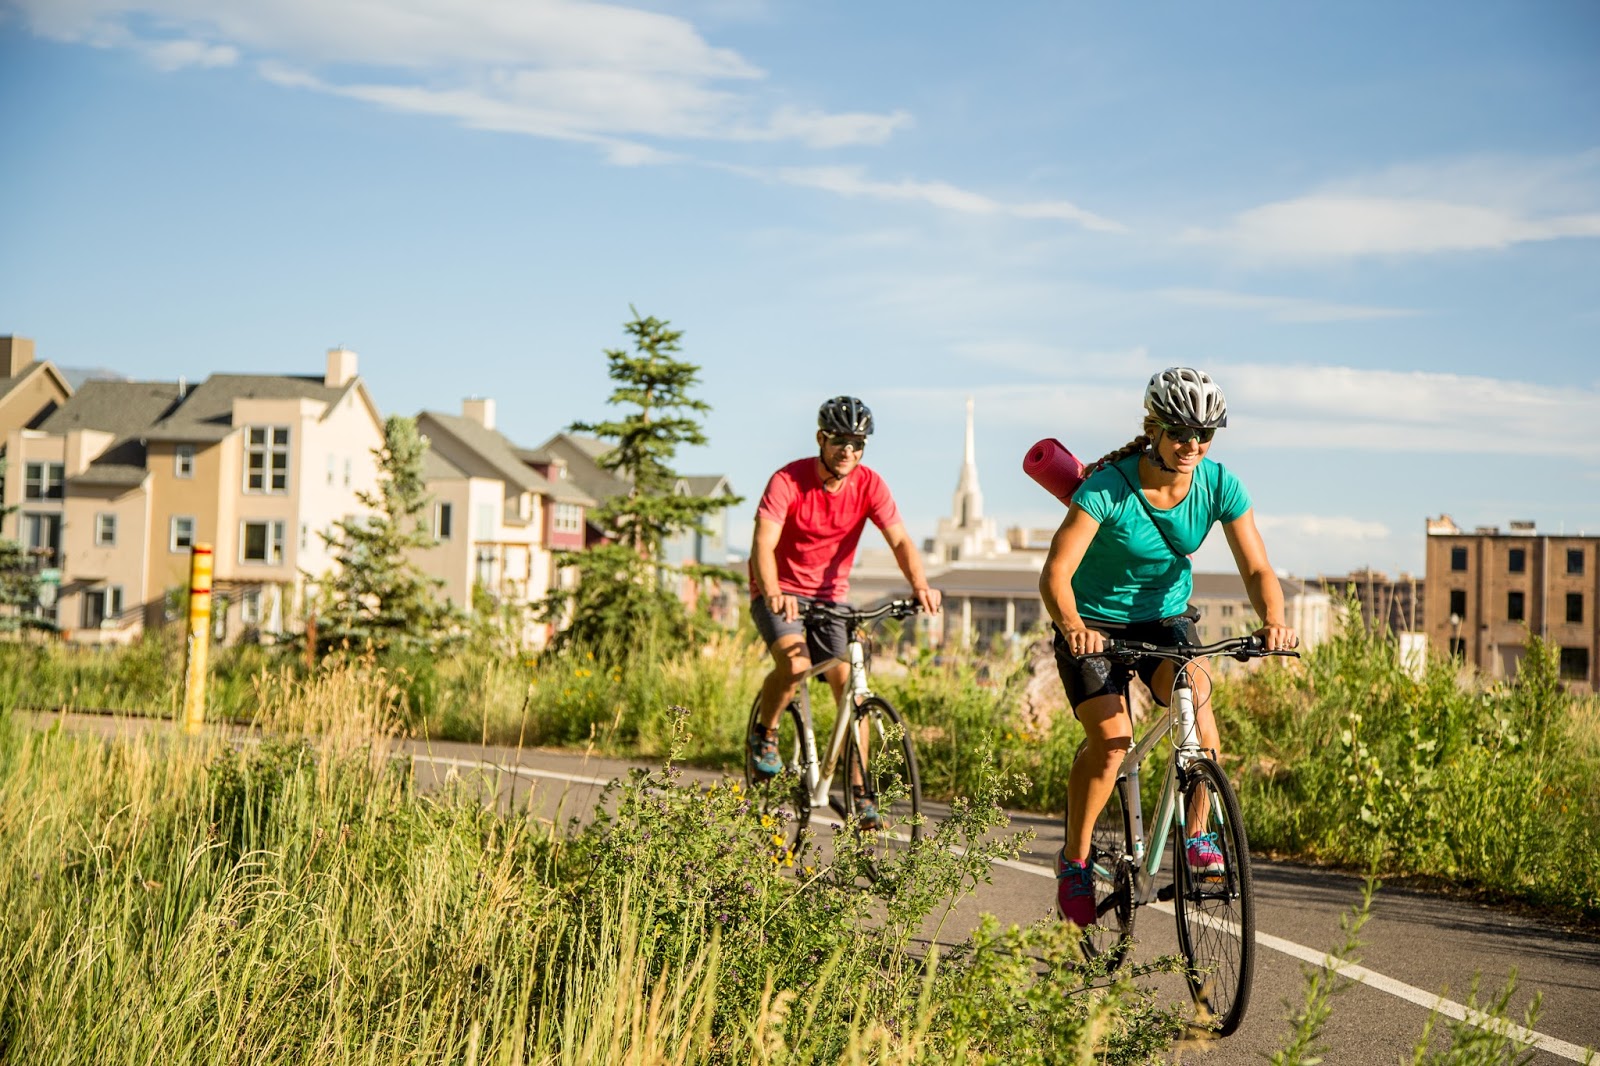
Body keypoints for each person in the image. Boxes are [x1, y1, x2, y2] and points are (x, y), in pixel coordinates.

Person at [1039, 367, 1298, 926]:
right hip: (1093, 626)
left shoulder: (1219, 484)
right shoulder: (1107, 487)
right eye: (1181, 432)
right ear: (1153, 427)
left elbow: (1256, 566)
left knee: (1198, 709)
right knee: (1112, 745)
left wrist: (1274, 620)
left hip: (1166, 621)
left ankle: (1197, 838)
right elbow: (1055, 575)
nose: (1193, 446)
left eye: (1205, 435)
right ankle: (1075, 861)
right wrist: (1072, 625)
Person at [747, 396, 942, 828]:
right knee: (795, 664)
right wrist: (775, 591)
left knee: (851, 689)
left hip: (831, 597)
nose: (848, 453)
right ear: (821, 438)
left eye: (858, 444)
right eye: (840, 443)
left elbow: (900, 541)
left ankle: (859, 790)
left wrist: (920, 586)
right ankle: (766, 733)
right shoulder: (787, 481)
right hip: (779, 591)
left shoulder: (869, 484)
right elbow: (763, 543)